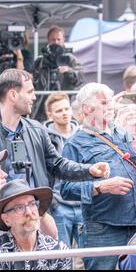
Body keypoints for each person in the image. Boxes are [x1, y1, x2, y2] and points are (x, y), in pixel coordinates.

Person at [0, 69, 109, 192]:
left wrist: (88, 170)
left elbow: (57, 165)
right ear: (13, 95)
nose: (34, 97)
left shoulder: (37, 130)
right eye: (30, 92)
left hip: (35, 215)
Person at [61, 82, 136, 270]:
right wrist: (101, 187)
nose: (110, 106)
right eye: (103, 103)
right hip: (103, 229)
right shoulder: (74, 144)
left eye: (110, 102)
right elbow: (66, 190)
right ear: (86, 108)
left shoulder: (123, 134)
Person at [0, 179, 72, 270]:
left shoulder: (57, 250)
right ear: (6, 219)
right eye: (19, 208)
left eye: (32, 204)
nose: (29, 212)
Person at [43, 92, 84, 250]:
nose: (65, 113)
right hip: (59, 205)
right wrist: (52, 202)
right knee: (61, 255)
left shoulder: (82, 134)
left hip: (82, 203)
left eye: (66, 109)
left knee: (89, 257)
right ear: (50, 114)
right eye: (59, 111)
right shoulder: (44, 137)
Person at [33, 26, 83, 91]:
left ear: (63, 40)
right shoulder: (40, 61)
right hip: (45, 98)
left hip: (65, 97)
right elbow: (33, 80)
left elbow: (80, 79)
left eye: (58, 39)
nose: (56, 42)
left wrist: (68, 71)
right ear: (48, 40)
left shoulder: (70, 59)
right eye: (53, 40)